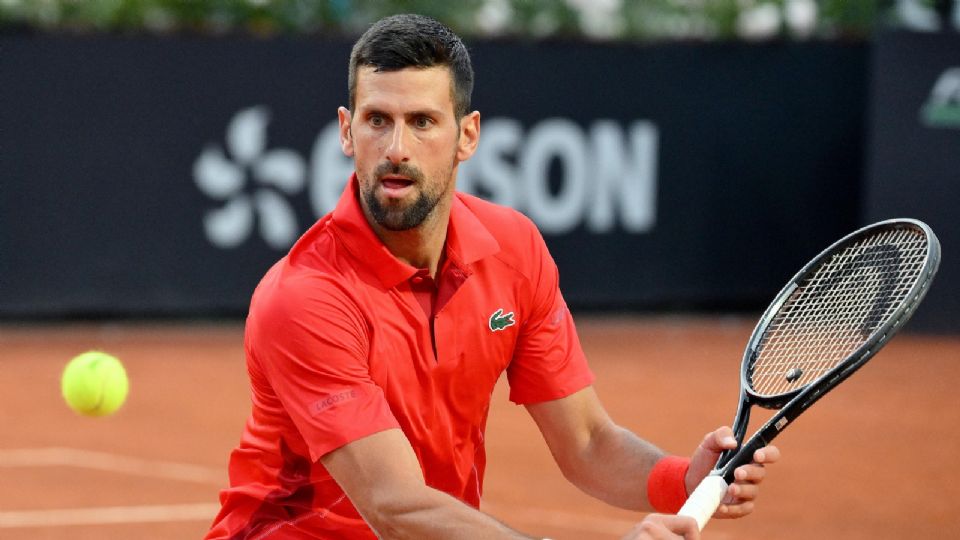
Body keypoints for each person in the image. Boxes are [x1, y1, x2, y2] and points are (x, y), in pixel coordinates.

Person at [206, 13, 780, 540]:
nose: (397, 148)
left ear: (468, 135)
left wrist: (682, 479)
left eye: (423, 122)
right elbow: (396, 505)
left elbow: (585, 441)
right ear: (347, 131)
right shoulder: (305, 297)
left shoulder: (514, 249)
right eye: (377, 120)